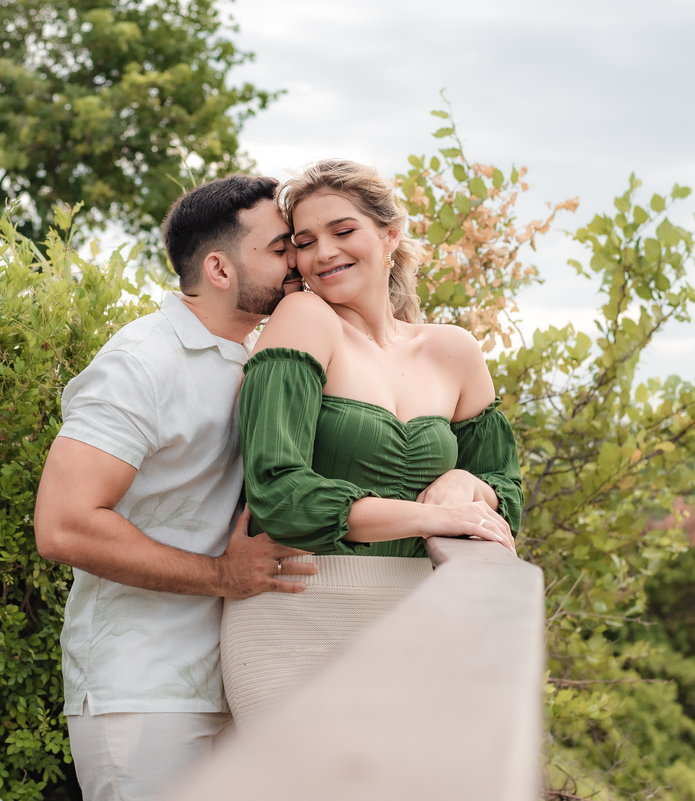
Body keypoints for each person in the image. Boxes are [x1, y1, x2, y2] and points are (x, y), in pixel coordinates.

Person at [33, 174, 317, 800]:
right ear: (219, 266)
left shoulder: (263, 357)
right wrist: (221, 576)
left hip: (242, 677)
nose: (298, 262)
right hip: (144, 689)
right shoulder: (140, 363)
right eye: (279, 248)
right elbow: (63, 523)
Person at [220, 158, 524, 728]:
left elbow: (506, 493)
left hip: (421, 623)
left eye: (343, 231)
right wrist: (427, 517)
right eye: (305, 242)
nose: (323, 253)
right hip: (299, 616)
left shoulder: (453, 350)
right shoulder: (304, 316)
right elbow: (278, 493)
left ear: (389, 236)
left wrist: (469, 483)